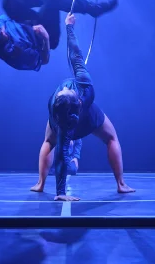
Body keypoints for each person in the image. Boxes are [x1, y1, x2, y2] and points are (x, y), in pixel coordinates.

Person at [30, 13, 135, 201]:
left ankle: (41, 184)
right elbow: (61, 155)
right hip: (73, 119)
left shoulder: (80, 88)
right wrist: (61, 194)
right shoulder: (77, 93)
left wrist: (69, 27)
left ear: (78, 101)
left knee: (51, 142)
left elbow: (74, 52)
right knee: (109, 138)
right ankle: (120, 184)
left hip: (83, 115)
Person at [0, 0, 118, 71]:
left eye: (0, 30)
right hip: (46, 37)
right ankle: (92, 8)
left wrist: (39, 3)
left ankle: (45, 0)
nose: (3, 33)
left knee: (7, 3)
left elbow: (13, 13)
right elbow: (44, 60)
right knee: (53, 1)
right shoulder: (13, 54)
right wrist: (45, 37)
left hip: (31, 22)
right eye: (0, 37)